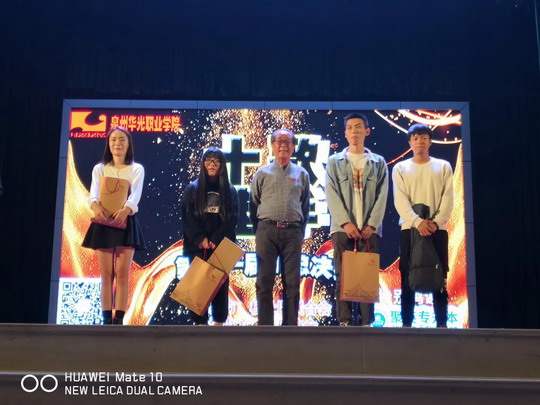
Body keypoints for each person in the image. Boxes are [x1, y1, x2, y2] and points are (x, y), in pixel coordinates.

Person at [325, 113, 388, 326]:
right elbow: (331, 194)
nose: (354, 131)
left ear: (367, 131)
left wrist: (372, 224)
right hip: (342, 229)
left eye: (359, 127)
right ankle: (345, 320)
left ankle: (367, 322)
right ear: (345, 133)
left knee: (367, 274)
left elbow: (382, 195)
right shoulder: (334, 162)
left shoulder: (378, 162)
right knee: (342, 275)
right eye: (350, 127)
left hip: (369, 229)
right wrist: (346, 223)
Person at [82, 126, 146, 325]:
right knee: (106, 275)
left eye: (122, 140)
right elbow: (93, 194)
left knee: (122, 274)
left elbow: (135, 195)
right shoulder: (100, 168)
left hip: (125, 222)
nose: (117, 144)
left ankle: (118, 319)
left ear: (129, 144)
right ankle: (105, 319)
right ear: (108, 144)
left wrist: (125, 210)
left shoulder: (136, 169)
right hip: (104, 223)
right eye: (113, 140)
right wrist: (95, 206)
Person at [392, 123, 453, 328]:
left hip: (438, 229)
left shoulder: (443, 166)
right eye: (416, 138)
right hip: (409, 229)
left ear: (430, 141)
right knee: (407, 273)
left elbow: (448, 198)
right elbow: (400, 201)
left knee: (440, 274)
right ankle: (406, 325)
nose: (420, 141)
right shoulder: (400, 168)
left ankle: (442, 325)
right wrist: (418, 222)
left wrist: (435, 222)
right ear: (410, 142)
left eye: (424, 138)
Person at [250, 129, 310, 326]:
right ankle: (265, 327)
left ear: (293, 147)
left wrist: (299, 231)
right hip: (267, 231)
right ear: (272, 146)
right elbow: (253, 204)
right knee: (264, 282)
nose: (283, 145)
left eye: (288, 141)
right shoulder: (262, 173)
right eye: (279, 141)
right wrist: (260, 230)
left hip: (293, 232)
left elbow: (305, 206)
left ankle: (290, 328)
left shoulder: (302, 174)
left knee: (292, 283)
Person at [182, 147, 239, 326]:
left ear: (222, 165)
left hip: (221, 246)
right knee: (198, 284)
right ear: (202, 164)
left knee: (220, 285)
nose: (212, 164)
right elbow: (187, 218)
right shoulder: (192, 189)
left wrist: (216, 239)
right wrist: (200, 239)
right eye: (208, 160)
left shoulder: (230, 191)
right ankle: (199, 324)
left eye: (216, 161)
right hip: (198, 246)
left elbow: (232, 219)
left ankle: (219, 323)